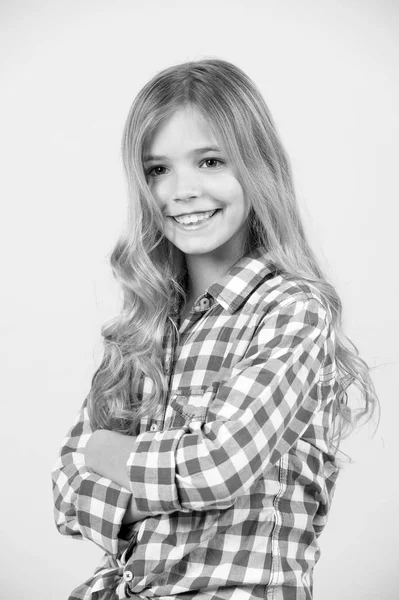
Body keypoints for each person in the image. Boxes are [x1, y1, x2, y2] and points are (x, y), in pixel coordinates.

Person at [51, 59, 379, 600]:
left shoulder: (291, 309)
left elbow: (218, 467)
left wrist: (108, 454)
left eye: (209, 161)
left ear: (256, 167)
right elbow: (65, 496)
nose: (182, 190)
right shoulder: (144, 327)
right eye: (158, 169)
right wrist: (171, 478)